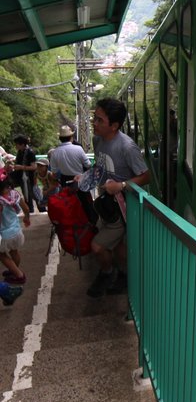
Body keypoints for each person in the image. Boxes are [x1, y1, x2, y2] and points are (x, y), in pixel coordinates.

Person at [82, 98, 149, 298]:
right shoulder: (98, 140)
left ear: (114, 126)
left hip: (122, 207)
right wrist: (84, 178)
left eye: (99, 120)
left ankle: (107, 273)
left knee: (97, 246)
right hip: (107, 206)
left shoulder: (127, 147)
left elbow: (146, 175)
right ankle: (123, 276)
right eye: (95, 118)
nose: (94, 123)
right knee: (119, 246)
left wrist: (120, 185)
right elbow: (99, 168)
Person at [50, 125, 96, 223]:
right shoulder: (78, 148)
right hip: (80, 180)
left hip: (64, 181)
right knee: (86, 203)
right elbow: (88, 165)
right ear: (71, 137)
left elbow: (54, 172)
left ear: (60, 138)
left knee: (69, 204)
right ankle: (90, 224)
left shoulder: (55, 153)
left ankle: (74, 224)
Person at [0, 173, 30, 284]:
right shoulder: (14, 194)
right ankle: (14, 270)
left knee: (2, 255)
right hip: (17, 231)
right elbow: (26, 209)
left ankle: (19, 275)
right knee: (14, 251)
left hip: (4, 235)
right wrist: (27, 219)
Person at [13, 135, 37, 213]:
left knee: (30, 195)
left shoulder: (30, 152)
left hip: (28, 177)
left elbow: (34, 167)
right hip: (21, 176)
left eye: (17, 144)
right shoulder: (20, 151)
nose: (16, 146)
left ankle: (32, 211)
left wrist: (21, 167)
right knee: (26, 195)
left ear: (22, 144)